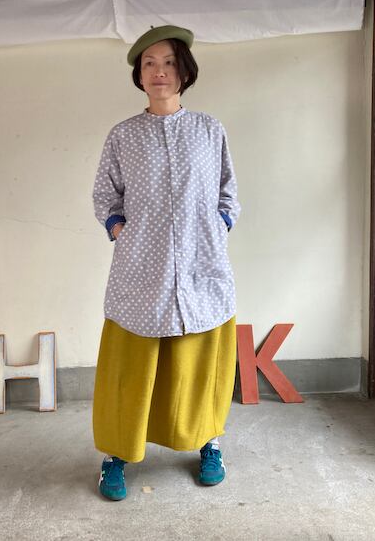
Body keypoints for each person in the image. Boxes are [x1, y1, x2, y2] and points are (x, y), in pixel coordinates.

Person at [91, 25, 241, 501]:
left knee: (200, 364)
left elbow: (228, 191)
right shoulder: (122, 136)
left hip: (201, 267)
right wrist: (121, 229)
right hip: (141, 271)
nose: (160, 72)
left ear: (184, 72)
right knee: (130, 370)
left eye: (170, 62)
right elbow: (105, 196)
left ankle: (208, 442)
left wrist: (219, 224)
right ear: (139, 74)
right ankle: (116, 455)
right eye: (150, 63)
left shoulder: (209, 130)